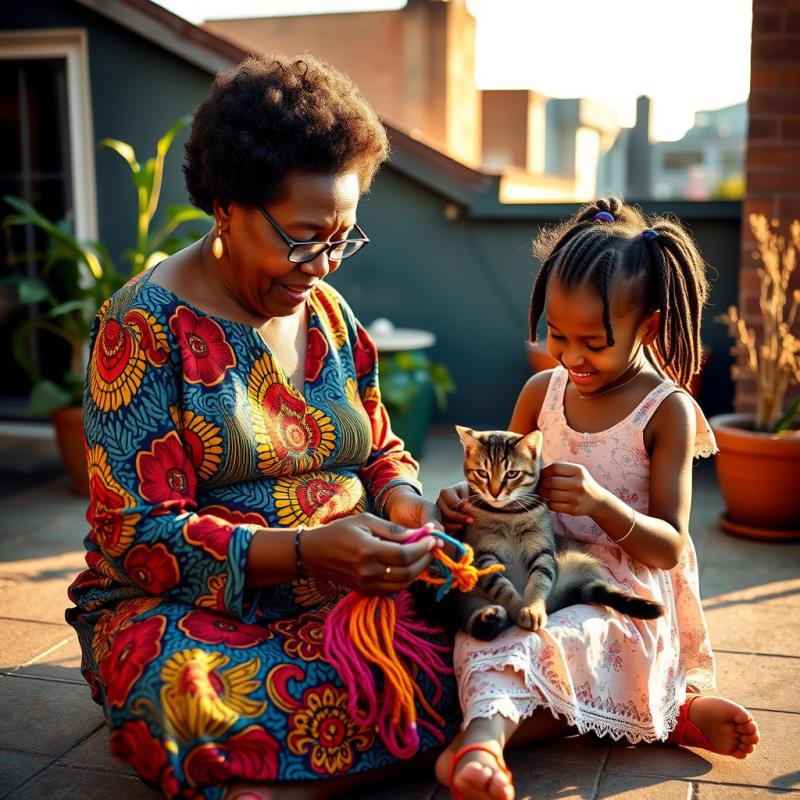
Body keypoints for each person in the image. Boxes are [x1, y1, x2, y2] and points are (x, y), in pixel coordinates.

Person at [66, 54, 458, 800]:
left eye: (345, 238)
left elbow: (379, 448)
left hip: (349, 600)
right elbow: (134, 534)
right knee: (184, 690)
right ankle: (442, 739)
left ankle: (294, 783)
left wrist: (407, 504)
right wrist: (305, 551)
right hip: (196, 610)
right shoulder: (143, 327)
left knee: (504, 613)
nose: (326, 265)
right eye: (306, 237)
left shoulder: (330, 316)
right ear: (227, 208)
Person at [434, 198, 761, 800]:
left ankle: (491, 740)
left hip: (618, 588)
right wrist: (467, 499)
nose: (572, 357)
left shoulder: (665, 411)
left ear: (650, 328)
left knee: (553, 637)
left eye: (593, 341)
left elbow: (669, 546)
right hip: (535, 561)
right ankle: (645, 719)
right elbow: (502, 478)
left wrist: (602, 505)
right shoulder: (540, 392)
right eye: (557, 334)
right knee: (480, 621)